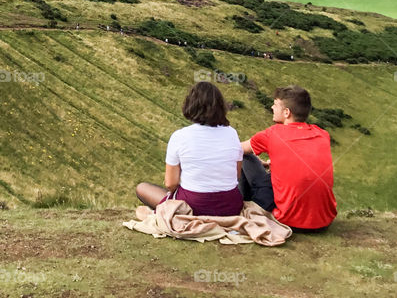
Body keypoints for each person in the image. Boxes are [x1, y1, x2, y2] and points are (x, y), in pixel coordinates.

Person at [136, 82, 243, 218]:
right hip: (230, 206)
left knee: (142, 188)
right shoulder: (232, 133)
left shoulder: (180, 136)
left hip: (194, 206)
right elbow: (237, 175)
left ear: (191, 105)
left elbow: (170, 183)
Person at [240, 85, 337, 231]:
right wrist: (273, 163)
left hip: (289, 220)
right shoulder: (322, 134)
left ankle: (244, 203)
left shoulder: (273, 133)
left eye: (276, 104)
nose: (272, 107)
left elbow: (236, 148)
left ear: (286, 112)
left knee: (246, 157)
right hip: (324, 221)